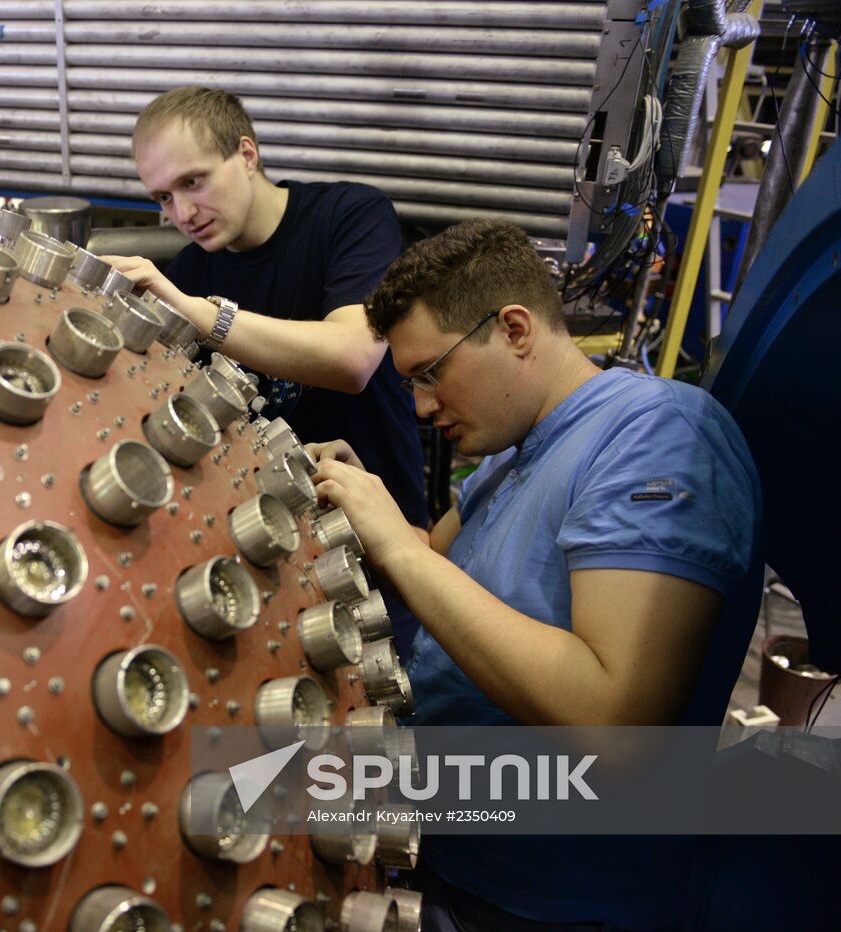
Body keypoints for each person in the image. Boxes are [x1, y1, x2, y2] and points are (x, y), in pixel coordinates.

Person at [310, 219, 763, 929]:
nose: (423, 409)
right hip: (454, 855)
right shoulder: (512, 456)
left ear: (515, 329)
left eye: (431, 374)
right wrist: (356, 499)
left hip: (555, 900)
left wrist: (395, 547)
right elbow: (431, 566)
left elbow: (614, 721)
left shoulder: (658, 433)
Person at [100, 87, 427, 527]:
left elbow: (352, 359)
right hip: (272, 530)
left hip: (383, 529)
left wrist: (196, 311)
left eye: (192, 181)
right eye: (163, 198)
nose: (183, 212)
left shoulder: (350, 217)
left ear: (247, 155)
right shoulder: (190, 272)